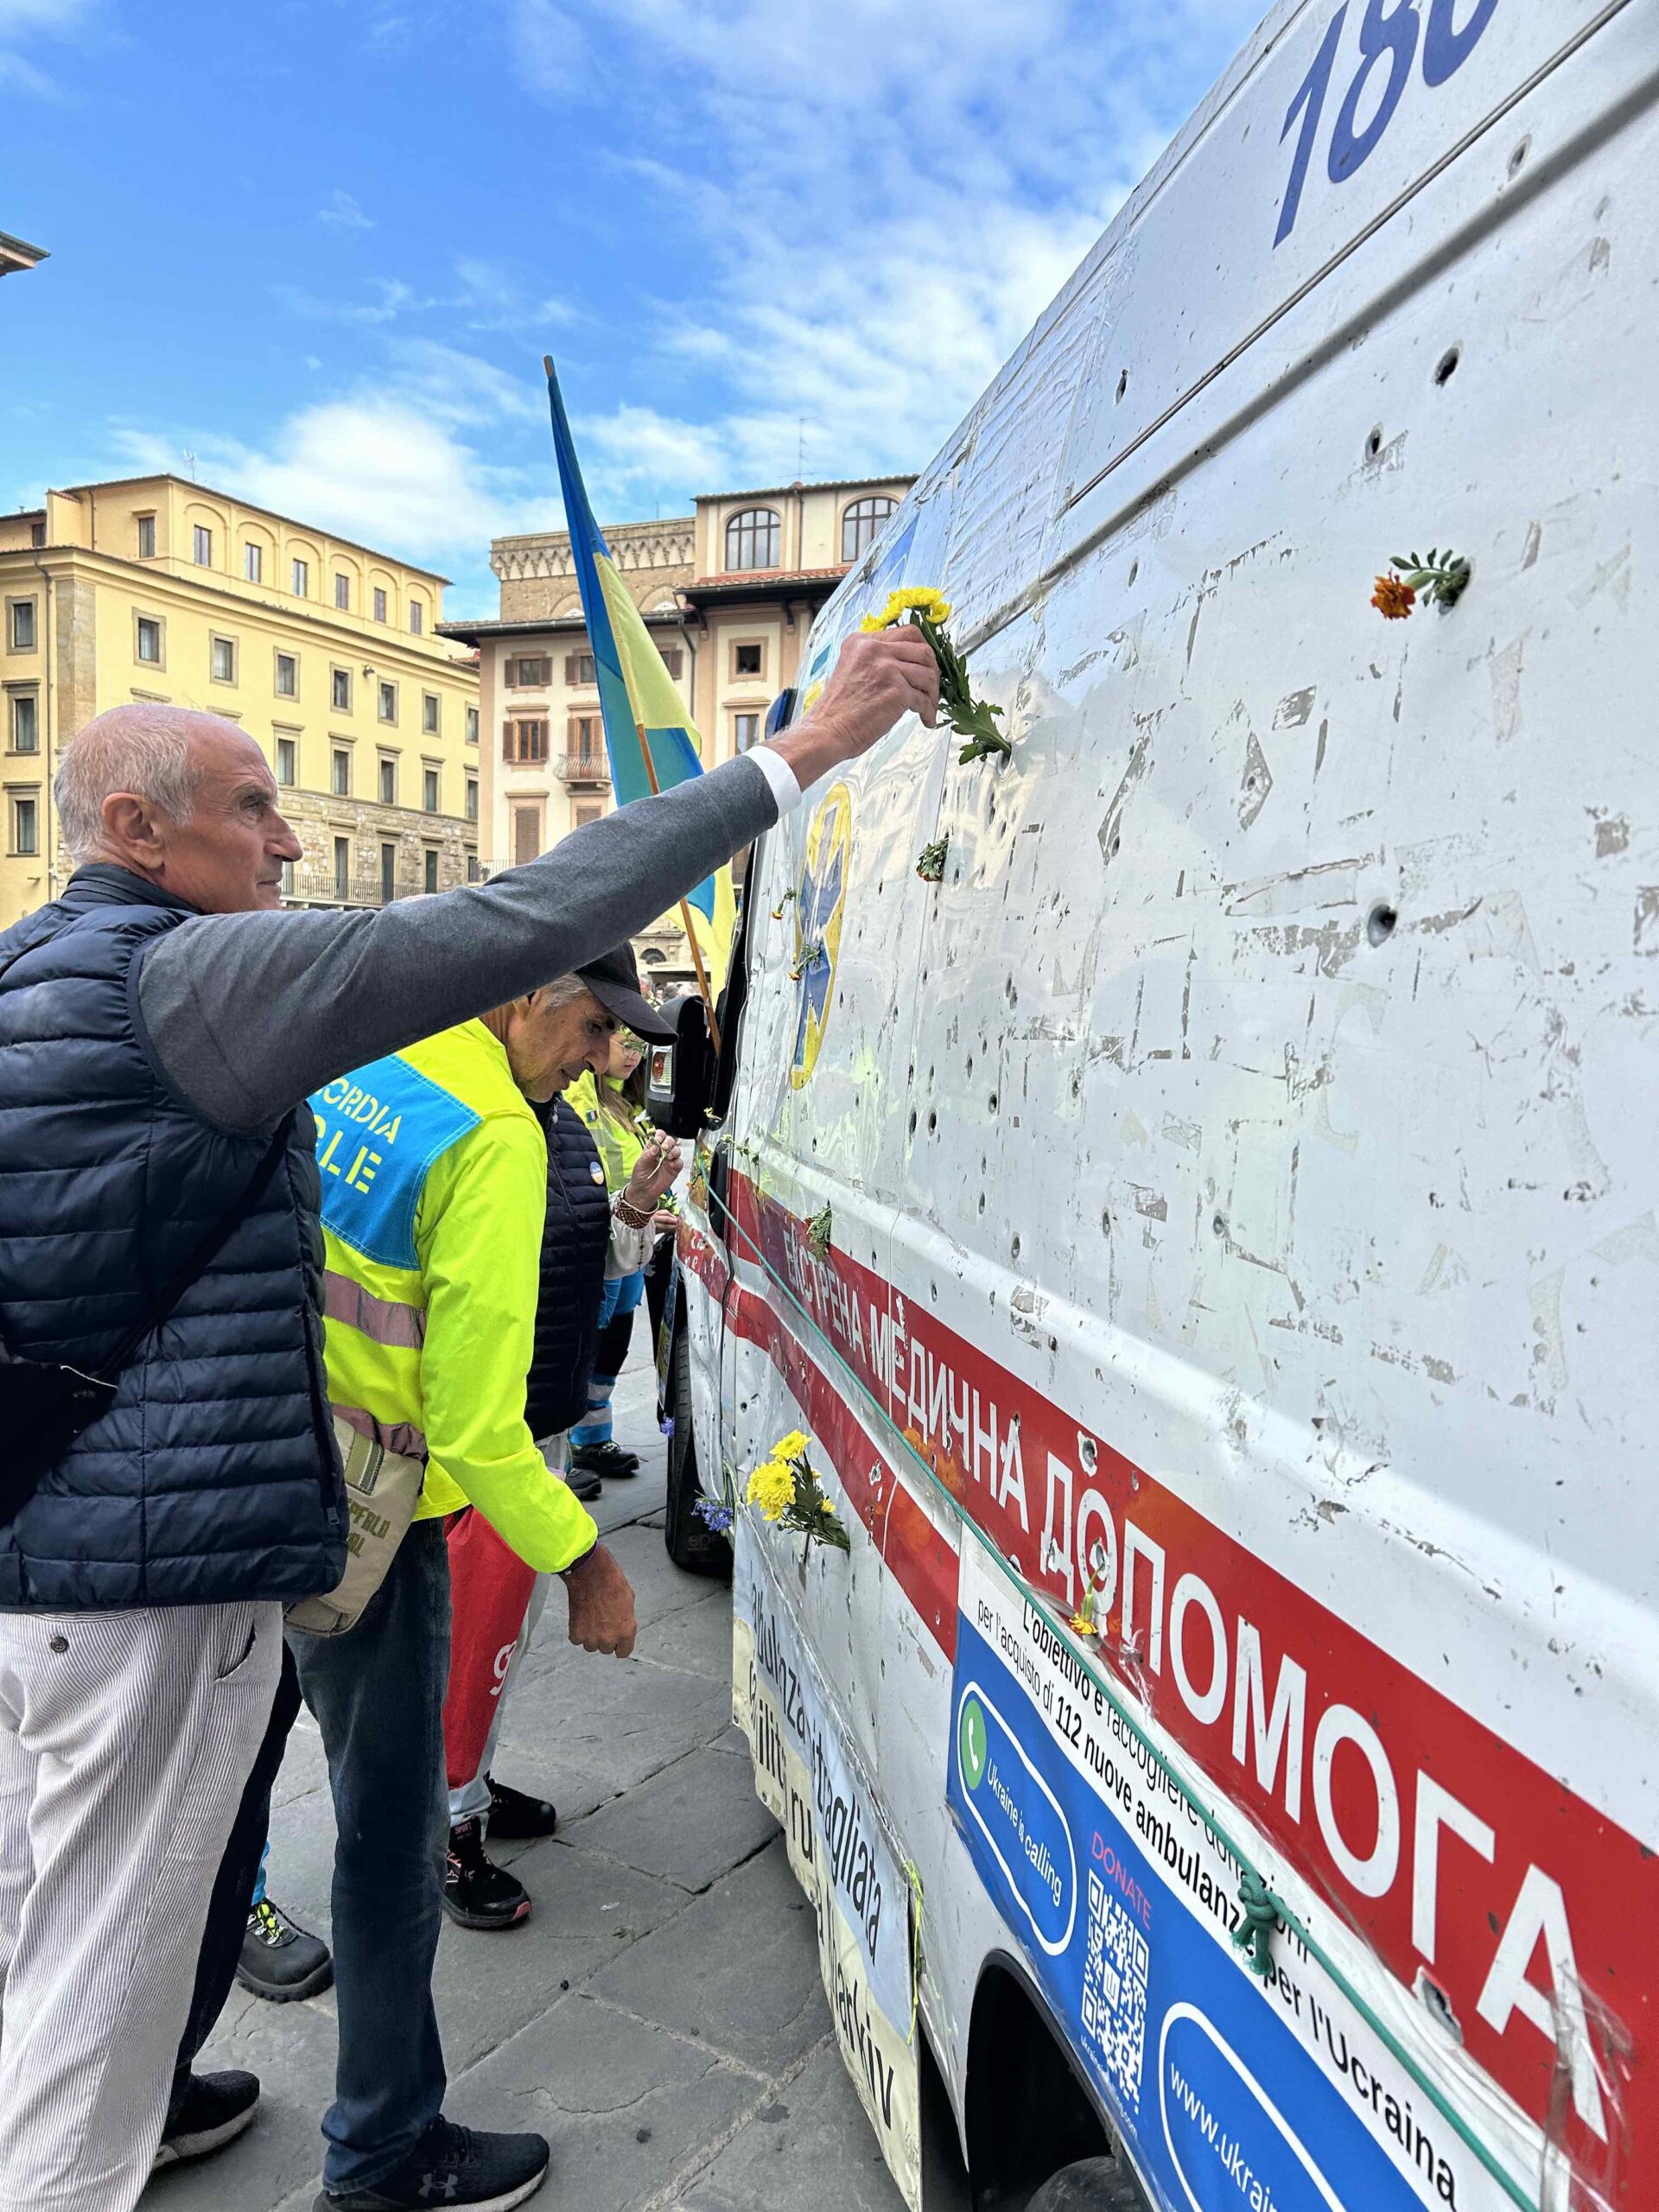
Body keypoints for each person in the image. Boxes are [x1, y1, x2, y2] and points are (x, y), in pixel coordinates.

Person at [0, 621, 938, 2212]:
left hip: (94, 1540)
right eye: (251, 805)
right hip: (181, 1571)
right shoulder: (196, 982)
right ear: (140, 833)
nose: (290, 837)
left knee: (86, 1929)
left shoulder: (50, 964)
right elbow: (523, 910)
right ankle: (288, 2143)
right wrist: (809, 751)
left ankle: (154, 2101)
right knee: (98, 1996)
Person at [442, 962, 680, 1932]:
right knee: (461, 1652)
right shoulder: (475, 1121)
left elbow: (581, 1263)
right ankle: (449, 1837)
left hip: (527, 1431)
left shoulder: (558, 1120)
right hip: (469, 1459)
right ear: (528, 998)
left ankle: (474, 1790)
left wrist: (629, 1208)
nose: (597, 1061)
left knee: (497, 1645)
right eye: (590, 1031)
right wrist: (585, 1557)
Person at [567, 1029, 664, 1482]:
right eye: (624, 1042)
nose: (633, 1054)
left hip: (631, 1238)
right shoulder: (580, 1092)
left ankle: (592, 1439)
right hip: (598, 1238)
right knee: (589, 1340)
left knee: (615, 1343)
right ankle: (568, 1446)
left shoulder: (626, 1104)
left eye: (639, 1046)